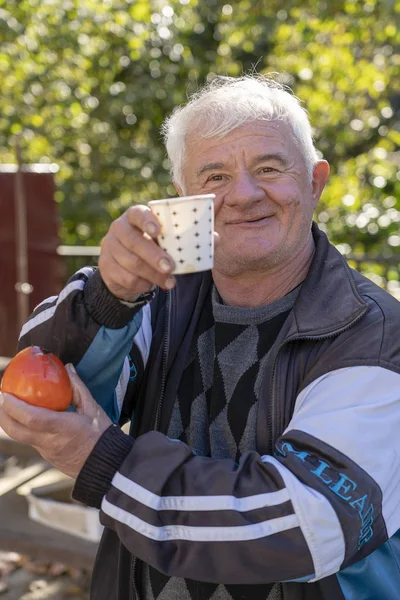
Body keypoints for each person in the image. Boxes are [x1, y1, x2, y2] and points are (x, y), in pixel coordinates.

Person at [1, 75, 400, 600]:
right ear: (184, 197)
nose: (244, 194)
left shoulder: (374, 335)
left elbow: (298, 530)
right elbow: (41, 377)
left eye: (269, 168)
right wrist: (110, 294)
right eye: (215, 176)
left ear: (315, 181)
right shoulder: (158, 289)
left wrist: (104, 463)